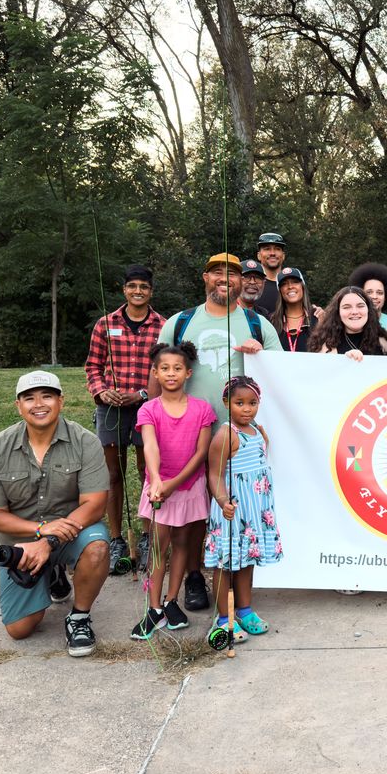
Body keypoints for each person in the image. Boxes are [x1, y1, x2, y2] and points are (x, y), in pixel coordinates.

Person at [154, 252, 282, 613]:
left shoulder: (258, 325)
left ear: (243, 282)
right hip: (187, 430)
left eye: (233, 274)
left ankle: (234, 588)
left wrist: (262, 356)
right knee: (192, 512)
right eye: (216, 273)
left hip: (238, 434)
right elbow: (160, 372)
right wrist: (151, 421)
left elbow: (282, 375)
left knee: (231, 506)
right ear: (204, 278)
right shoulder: (181, 322)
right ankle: (195, 575)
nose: (225, 279)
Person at [0, 371, 110, 657]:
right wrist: (39, 531)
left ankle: (79, 618)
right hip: (20, 542)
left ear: (61, 401)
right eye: (29, 398)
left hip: (72, 532)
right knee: (20, 629)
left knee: (98, 545)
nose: (39, 404)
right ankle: (52, 575)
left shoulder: (86, 442)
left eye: (47, 396)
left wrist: (48, 540)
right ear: (18, 405)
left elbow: (95, 505)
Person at [84, 264, 165, 576]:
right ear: (124, 290)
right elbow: (93, 365)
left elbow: (165, 366)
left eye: (143, 287)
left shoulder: (162, 325)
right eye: (132, 286)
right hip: (112, 408)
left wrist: (142, 394)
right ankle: (116, 538)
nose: (138, 292)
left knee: (148, 471)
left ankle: (147, 536)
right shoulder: (106, 324)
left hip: (147, 407)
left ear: (150, 291)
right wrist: (103, 392)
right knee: (113, 474)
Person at [131, 342, 215, 639]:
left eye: (177, 368)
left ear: (188, 373)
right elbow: (150, 445)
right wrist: (156, 480)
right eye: (164, 368)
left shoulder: (202, 410)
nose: (170, 373)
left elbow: (201, 453)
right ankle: (154, 610)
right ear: (154, 372)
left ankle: (171, 601)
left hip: (188, 487)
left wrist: (174, 484)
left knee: (182, 544)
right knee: (158, 549)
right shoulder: (148, 409)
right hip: (159, 488)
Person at [206, 375, 282, 643]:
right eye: (239, 403)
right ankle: (224, 617)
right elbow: (214, 474)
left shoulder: (257, 430)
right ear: (227, 403)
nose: (246, 408)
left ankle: (245, 609)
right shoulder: (226, 435)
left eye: (252, 402)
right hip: (233, 510)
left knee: (247, 561)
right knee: (226, 563)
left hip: (254, 511)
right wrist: (222, 501)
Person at [309, 286, 387, 358]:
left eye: (360, 306)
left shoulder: (383, 341)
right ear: (338, 312)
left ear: (368, 310)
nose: (354, 312)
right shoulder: (323, 345)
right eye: (346, 307)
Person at [349, 262, 387, 341]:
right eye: (369, 292)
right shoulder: (353, 320)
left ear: (386, 297)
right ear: (360, 295)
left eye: (379, 293)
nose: (374, 297)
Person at [270, 267, 317, 352]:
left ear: (302, 286)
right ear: (280, 291)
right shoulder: (271, 321)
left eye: (295, 282)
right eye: (284, 284)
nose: (290, 287)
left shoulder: (318, 317)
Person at [254, 232, 287, 313]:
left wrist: (316, 311)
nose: (272, 253)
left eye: (277, 249)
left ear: (283, 256)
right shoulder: (250, 285)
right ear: (258, 255)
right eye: (267, 249)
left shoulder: (292, 286)